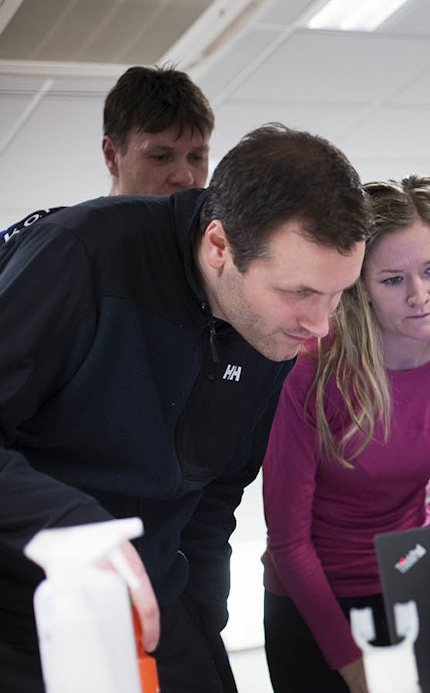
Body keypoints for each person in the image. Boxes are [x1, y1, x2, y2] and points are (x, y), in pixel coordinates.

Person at [0, 123, 372, 693]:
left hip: (160, 602)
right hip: (23, 609)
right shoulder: (80, 254)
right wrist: (73, 526)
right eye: (300, 293)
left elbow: (216, 490)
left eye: (337, 293)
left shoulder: (272, 327)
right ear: (219, 246)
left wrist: (202, 619)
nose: (320, 325)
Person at [261, 175, 430, 693]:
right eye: (393, 279)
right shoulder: (311, 368)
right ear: (361, 288)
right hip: (309, 603)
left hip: (408, 584)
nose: (420, 296)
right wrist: (352, 663)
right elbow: (288, 540)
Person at [102, 64, 214, 196]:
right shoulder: (76, 217)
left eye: (196, 157)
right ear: (112, 156)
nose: (185, 178)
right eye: (161, 157)